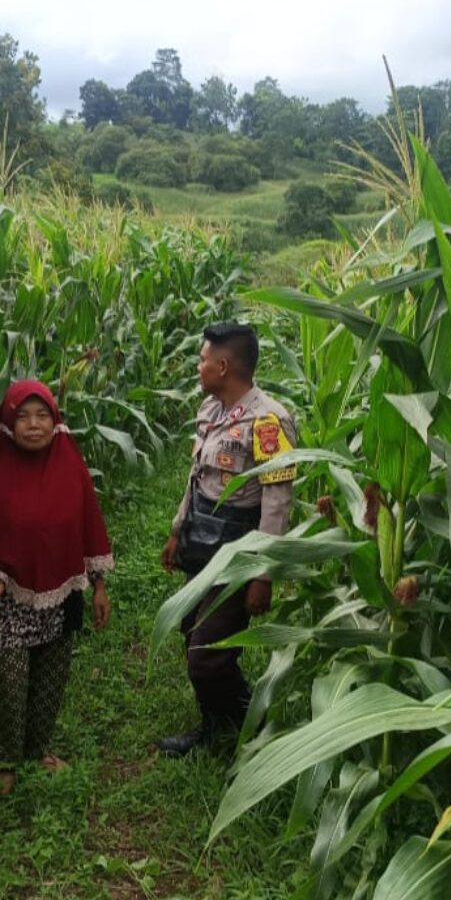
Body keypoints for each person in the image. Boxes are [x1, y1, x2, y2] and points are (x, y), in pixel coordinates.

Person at [0, 380, 113, 796]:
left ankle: (38, 751)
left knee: (51, 677)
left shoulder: (69, 463)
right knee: (7, 682)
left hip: (59, 594)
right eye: (23, 417)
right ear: (7, 421)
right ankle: (5, 762)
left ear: (55, 420)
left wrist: (99, 585)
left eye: (42, 416)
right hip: (6, 597)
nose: (34, 425)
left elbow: (90, 523)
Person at [159, 322, 297, 757]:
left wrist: (263, 574)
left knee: (205, 654)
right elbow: (196, 476)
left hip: (239, 549)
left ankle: (248, 719)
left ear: (222, 366)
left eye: (202, 359)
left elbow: (277, 502)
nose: (197, 366)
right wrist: (177, 530)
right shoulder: (211, 409)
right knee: (191, 630)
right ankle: (220, 723)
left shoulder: (268, 421)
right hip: (202, 540)